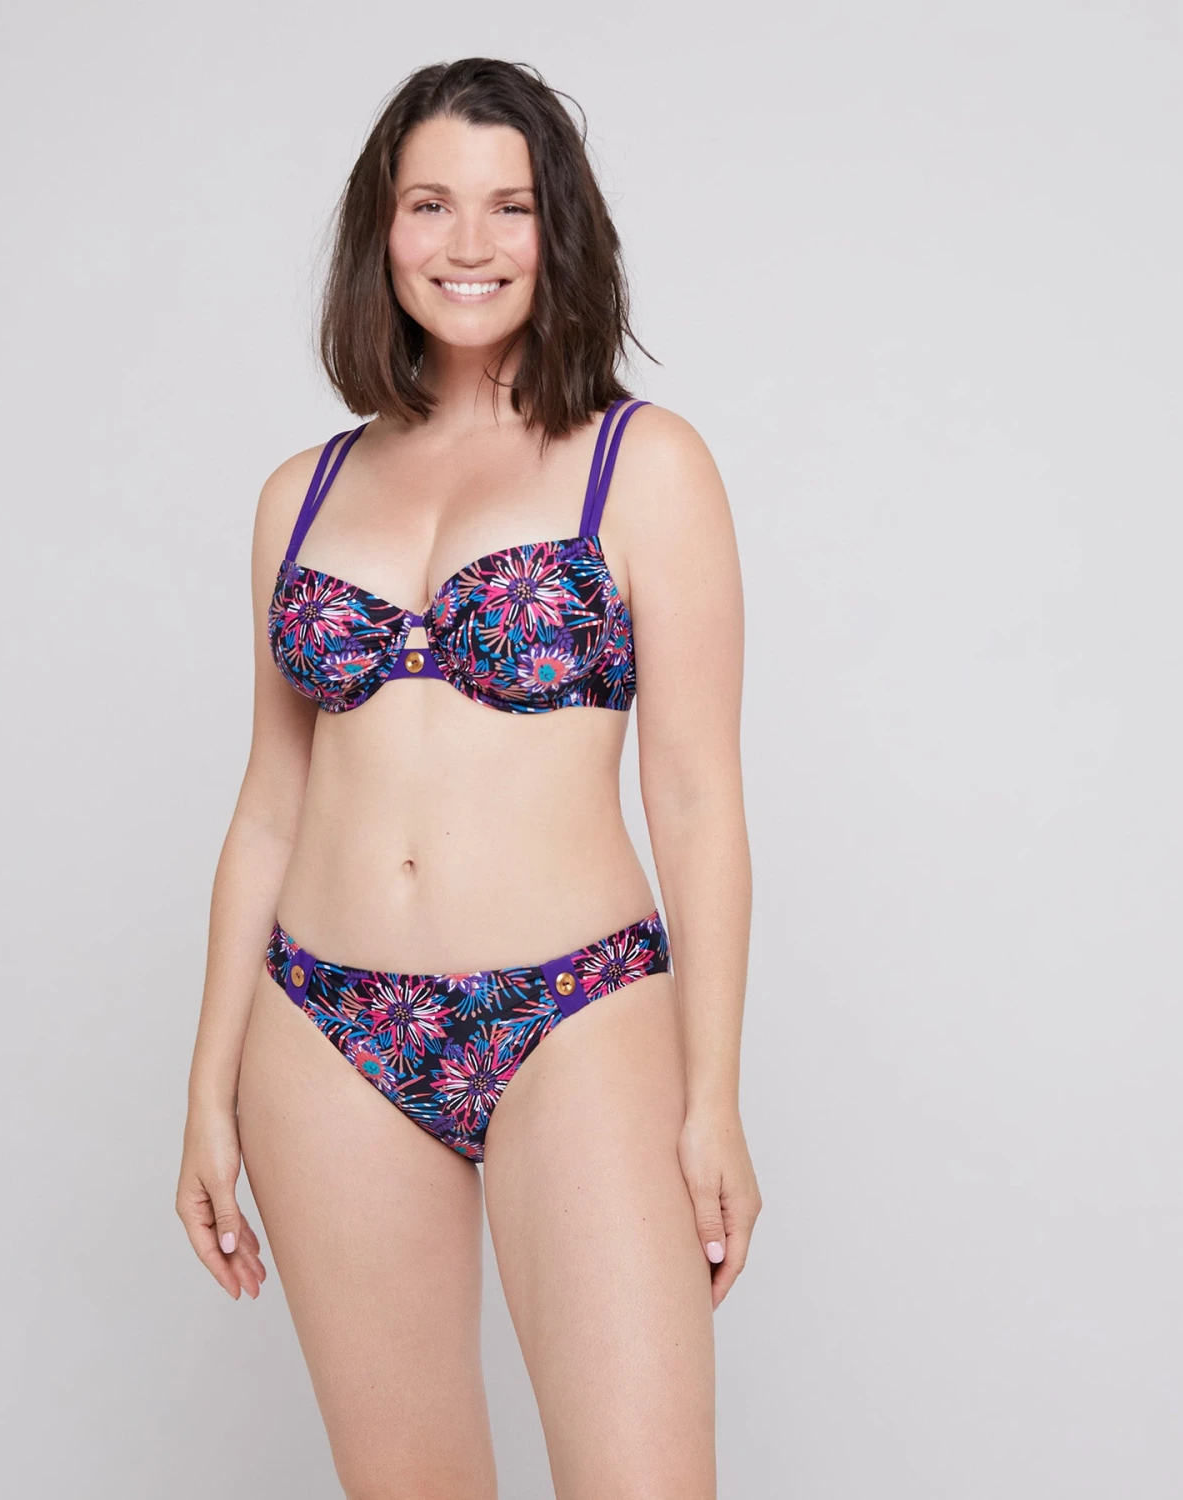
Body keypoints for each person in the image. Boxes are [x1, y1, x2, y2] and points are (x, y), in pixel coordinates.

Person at [176, 57, 758, 1500]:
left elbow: (697, 802)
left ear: (561, 230)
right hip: (324, 1029)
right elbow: (268, 807)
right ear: (382, 229)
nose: (470, 243)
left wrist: (713, 1098)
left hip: (576, 1011)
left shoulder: (644, 464)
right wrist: (207, 1088)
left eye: (511, 206)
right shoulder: (301, 494)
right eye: (431, 203)